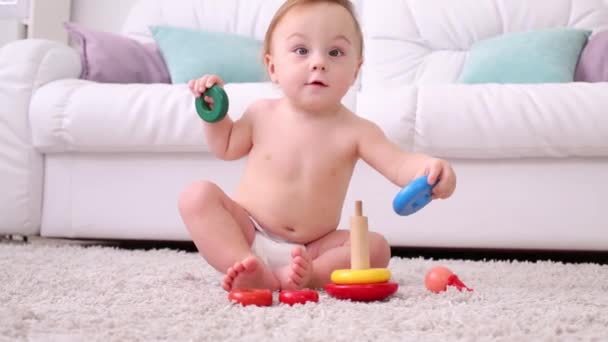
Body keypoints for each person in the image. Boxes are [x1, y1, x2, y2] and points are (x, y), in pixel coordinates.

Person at [178, 0, 456, 292]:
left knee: (376, 248)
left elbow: (400, 165)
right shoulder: (261, 113)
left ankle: (306, 277)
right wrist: (214, 115)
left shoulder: (358, 131)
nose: (318, 62)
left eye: (335, 52)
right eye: (301, 51)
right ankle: (247, 264)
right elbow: (226, 146)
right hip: (249, 229)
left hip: (313, 249)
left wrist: (431, 170)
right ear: (273, 67)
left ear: (355, 71)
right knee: (196, 196)